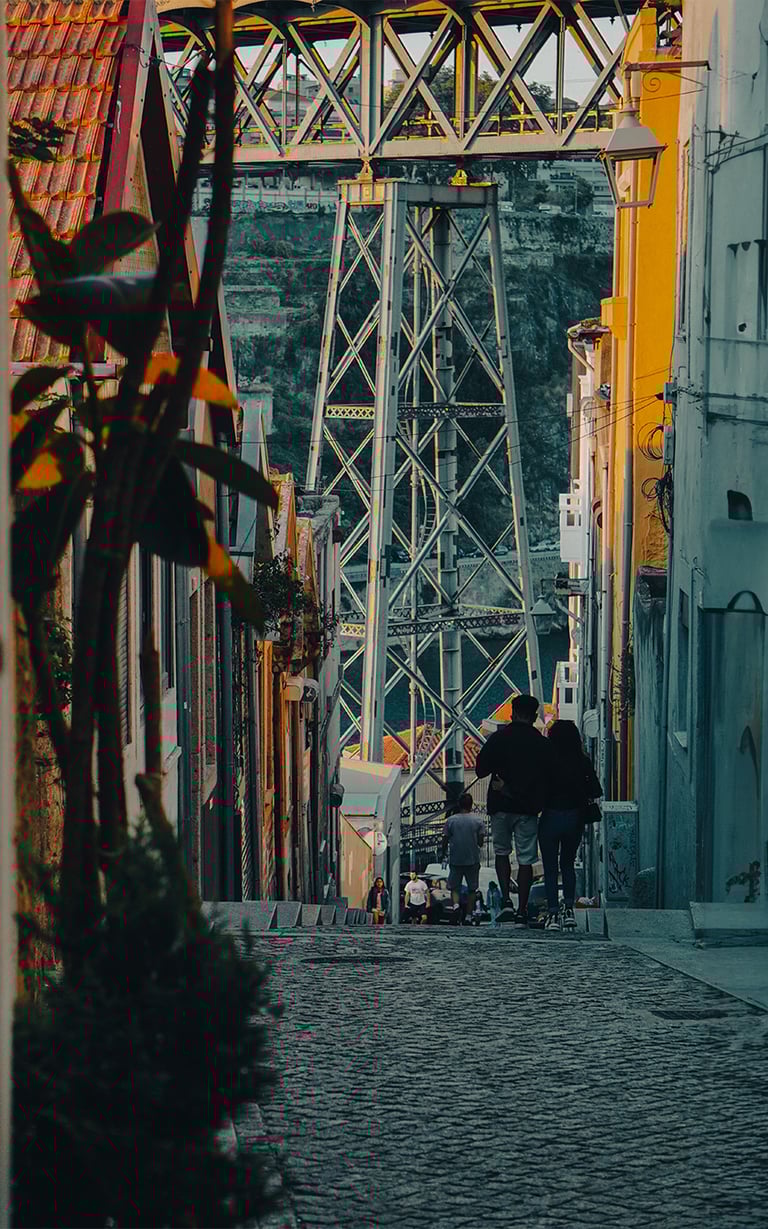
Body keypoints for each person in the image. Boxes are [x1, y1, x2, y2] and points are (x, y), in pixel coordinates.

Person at [475, 692, 549, 926]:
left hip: (501, 805)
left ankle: (507, 901)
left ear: (512, 713)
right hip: (527, 808)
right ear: (534, 716)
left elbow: (479, 770)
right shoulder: (541, 743)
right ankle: (523, 908)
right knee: (526, 859)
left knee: (501, 852)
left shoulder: (499, 738)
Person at [539, 719, 602, 932]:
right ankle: (569, 910)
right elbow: (596, 790)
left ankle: (553, 912)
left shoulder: (547, 761)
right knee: (567, 864)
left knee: (549, 867)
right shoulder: (581, 761)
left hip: (550, 816)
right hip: (574, 817)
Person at [439, 791, 485, 918]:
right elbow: (480, 843)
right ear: (471, 805)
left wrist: (443, 853)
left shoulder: (450, 821)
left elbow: (445, 839)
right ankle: (469, 916)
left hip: (455, 859)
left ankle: (455, 905)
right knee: (472, 889)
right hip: (472, 859)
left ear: (459, 805)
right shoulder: (478, 821)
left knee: (454, 887)